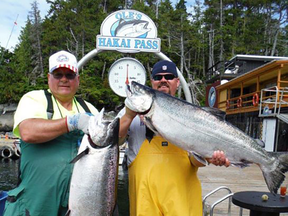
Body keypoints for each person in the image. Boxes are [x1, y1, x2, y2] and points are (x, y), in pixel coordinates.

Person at [119, 60, 230, 216]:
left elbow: (194, 161)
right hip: (145, 204)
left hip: (181, 204)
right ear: (152, 82)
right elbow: (114, 141)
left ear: (177, 82)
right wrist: (128, 116)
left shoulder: (193, 115)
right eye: (158, 77)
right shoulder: (129, 113)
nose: (163, 80)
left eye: (169, 76)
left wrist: (210, 157)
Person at [4, 50, 99, 216]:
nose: (64, 79)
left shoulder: (90, 109)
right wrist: (72, 122)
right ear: (49, 78)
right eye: (58, 74)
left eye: (69, 75)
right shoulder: (34, 99)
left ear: (77, 80)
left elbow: (115, 142)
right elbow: (27, 132)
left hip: (77, 202)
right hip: (35, 203)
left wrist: (128, 114)